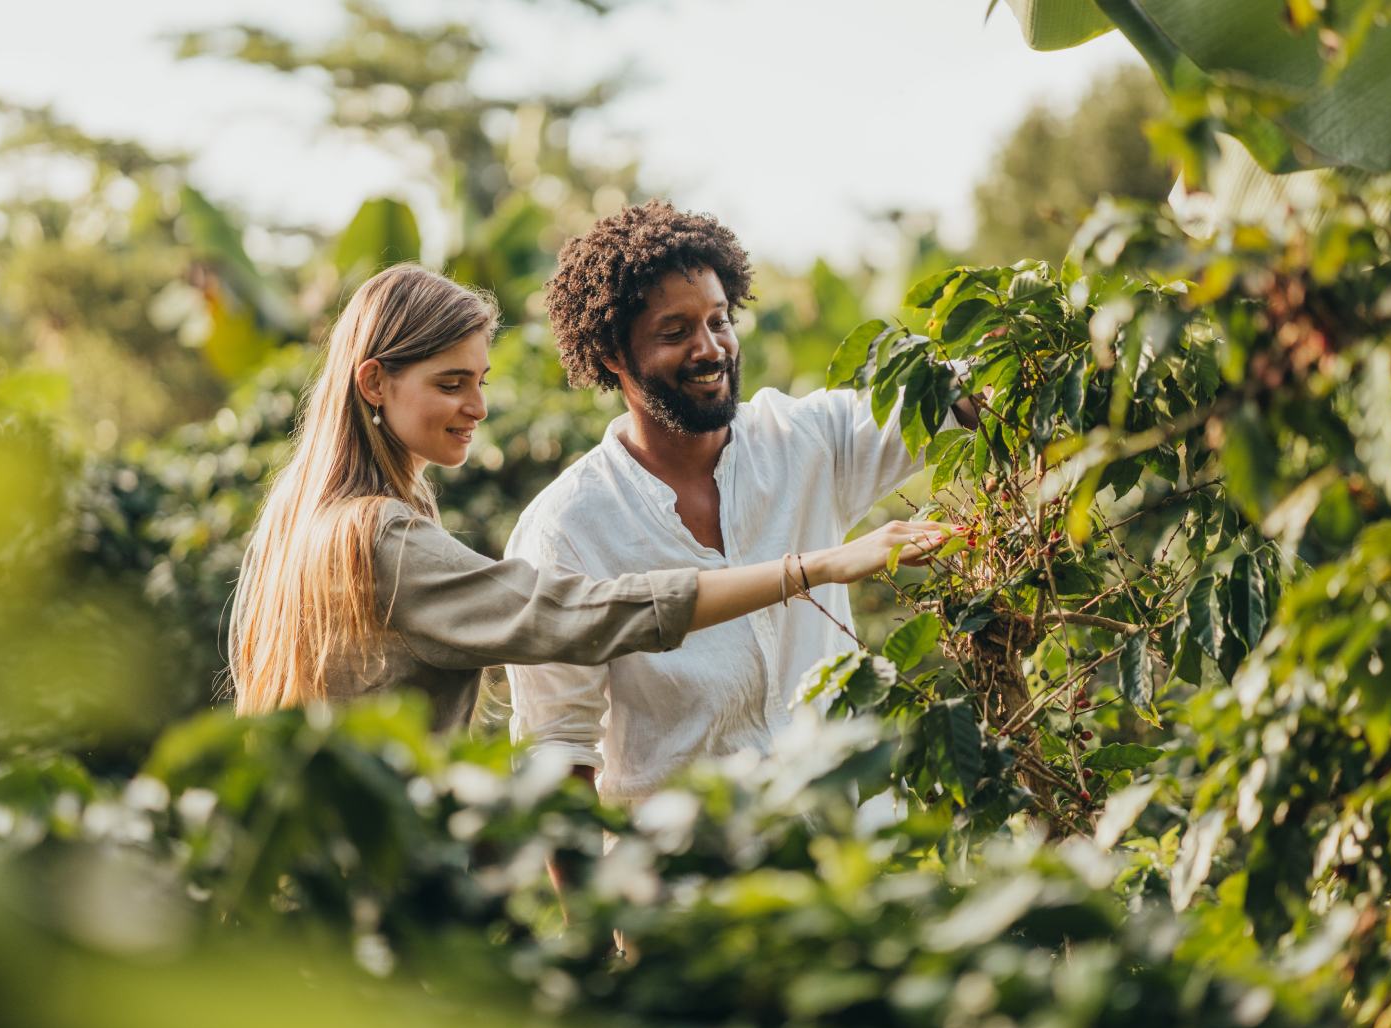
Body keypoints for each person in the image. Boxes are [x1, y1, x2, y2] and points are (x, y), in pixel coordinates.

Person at [226, 263, 947, 721]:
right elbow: (572, 614)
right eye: (451, 384)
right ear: (374, 382)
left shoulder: (305, 520)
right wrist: (815, 568)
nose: (477, 407)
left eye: (479, 381)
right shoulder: (380, 537)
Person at [506, 203, 972, 803]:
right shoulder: (565, 529)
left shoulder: (804, 440)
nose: (710, 349)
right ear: (612, 355)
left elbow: (955, 398)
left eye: (719, 321)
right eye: (675, 333)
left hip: (853, 843)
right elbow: (559, 752)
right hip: (694, 856)